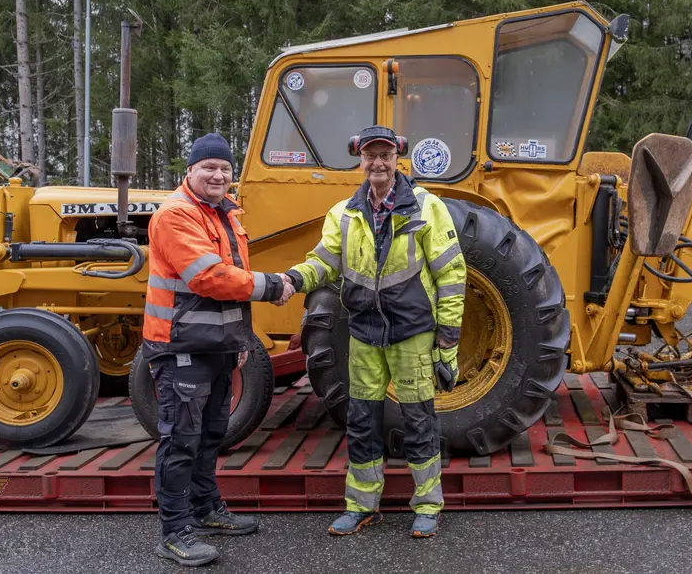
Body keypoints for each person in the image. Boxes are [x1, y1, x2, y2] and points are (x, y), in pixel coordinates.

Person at [283, 125, 465, 538]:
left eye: (385, 155)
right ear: (360, 160)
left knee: (419, 420)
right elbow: (324, 262)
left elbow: (452, 275)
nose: (377, 163)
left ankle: (428, 505)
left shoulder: (425, 207)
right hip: (365, 333)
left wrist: (448, 338)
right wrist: (293, 279)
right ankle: (361, 505)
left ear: (397, 159)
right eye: (370, 156)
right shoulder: (343, 214)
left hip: (412, 333)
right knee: (362, 420)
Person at [144, 132, 295, 567]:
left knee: (210, 434)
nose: (218, 174)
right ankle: (174, 531)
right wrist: (273, 285)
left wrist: (239, 342)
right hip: (180, 347)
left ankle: (207, 508)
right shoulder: (176, 215)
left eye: (225, 168)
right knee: (180, 440)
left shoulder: (225, 214)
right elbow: (207, 278)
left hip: (216, 346)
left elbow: (232, 286)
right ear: (189, 171)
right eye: (209, 167)